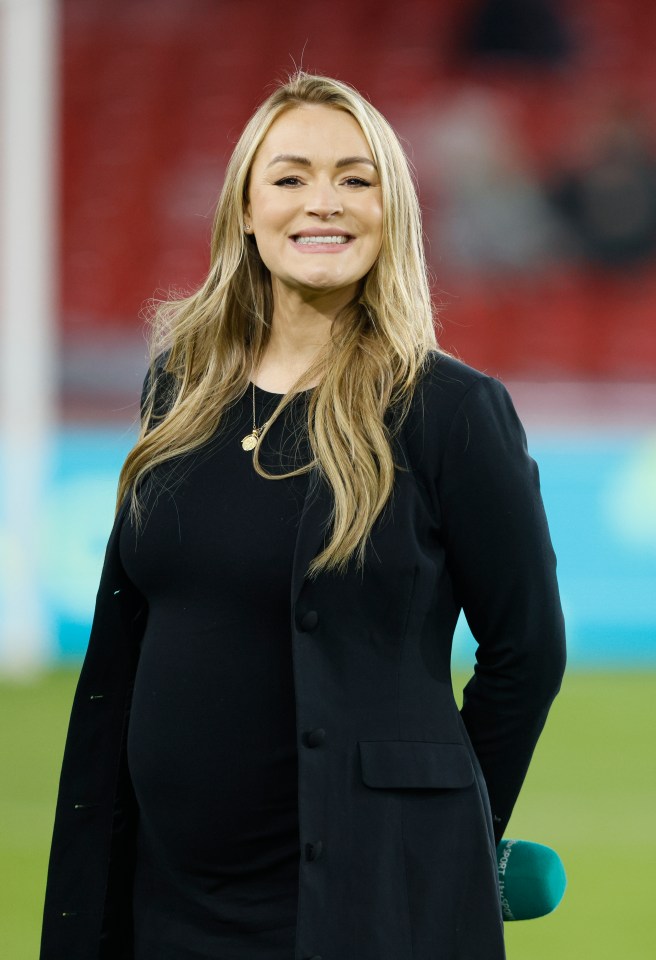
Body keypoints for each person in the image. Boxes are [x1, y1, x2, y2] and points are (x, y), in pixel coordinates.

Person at [40, 72, 566, 960]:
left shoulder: (449, 410)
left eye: (355, 179)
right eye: (290, 177)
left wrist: (439, 839)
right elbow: (131, 632)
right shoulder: (179, 388)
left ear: (391, 210)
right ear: (246, 209)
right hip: (162, 900)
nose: (322, 202)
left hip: (356, 905)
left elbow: (526, 652)